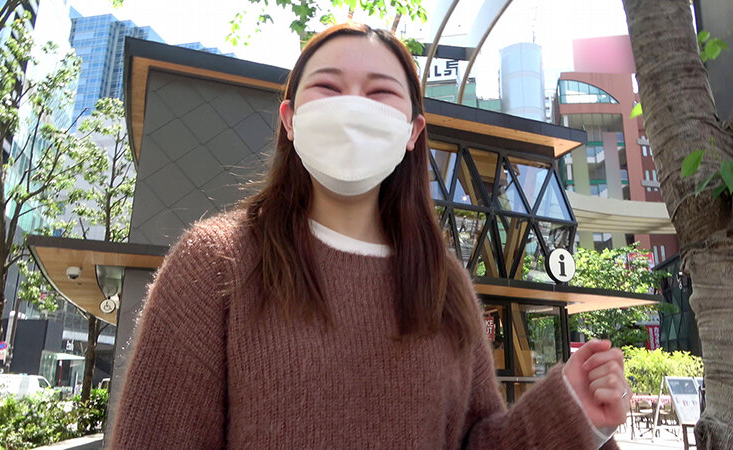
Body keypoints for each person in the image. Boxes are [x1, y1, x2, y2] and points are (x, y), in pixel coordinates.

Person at [111, 23, 629, 449]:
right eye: (328, 87)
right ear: (289, 119)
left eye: (381, 92)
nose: (354, 107)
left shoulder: (444, 282)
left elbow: (476, 440)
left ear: (412, 131)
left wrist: (569, 415)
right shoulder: (214, 263)